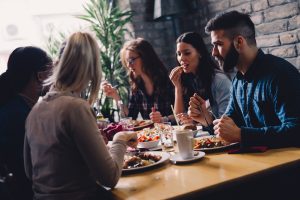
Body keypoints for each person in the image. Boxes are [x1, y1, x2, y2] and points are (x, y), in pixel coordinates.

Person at [24, 32, 137, 199]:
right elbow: (110, 178)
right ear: (91, 68)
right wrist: (120, 138)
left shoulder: (35, 110)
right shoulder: (76, 108)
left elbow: (29, 171)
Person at [189, 10, 300, 148]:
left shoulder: (280, 74)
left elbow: (296, 131)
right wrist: (206, 119)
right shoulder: (238, 81)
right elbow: (228, 127)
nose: (213, 52)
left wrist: (242, 135)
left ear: (239, 42)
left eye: (218, 44)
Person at [0, 46, 52, 200]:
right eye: (52, 71)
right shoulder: (18, 116)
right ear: (40, 75)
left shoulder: (19, 106)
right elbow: (36, 167)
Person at [101, 38, 175, 123]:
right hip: (151, 135)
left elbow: (181, 113)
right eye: (127, 61)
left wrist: (164, 119)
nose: (128, 65)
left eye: (132, 60)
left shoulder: (169, 80)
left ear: (145, 57)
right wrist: (116, 97)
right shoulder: (137, 86)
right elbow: (130, 117)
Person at [169, 32, 231, 129]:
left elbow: (226, 121)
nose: (182, 58)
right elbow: (179, 119)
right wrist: (177, 87)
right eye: (179, 54)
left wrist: (197, 122)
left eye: (187, 53)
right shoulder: (188, 79)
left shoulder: (219, 80)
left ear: (200, 53)